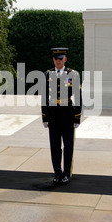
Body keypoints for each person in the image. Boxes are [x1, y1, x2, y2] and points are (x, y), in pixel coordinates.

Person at [42, 48, 82, 185]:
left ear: (65, 59)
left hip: (67, 114)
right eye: (56, 59)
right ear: (53, 59)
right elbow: (44, 97)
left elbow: (78, 95)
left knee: (68, 147)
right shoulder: (47, 74)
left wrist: (77, 117)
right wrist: (44, 117)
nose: (58, 61)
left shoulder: (73, 74)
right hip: (53, 114)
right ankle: (57, 173)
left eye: (61, 58)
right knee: (55, 147)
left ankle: (66, 174)